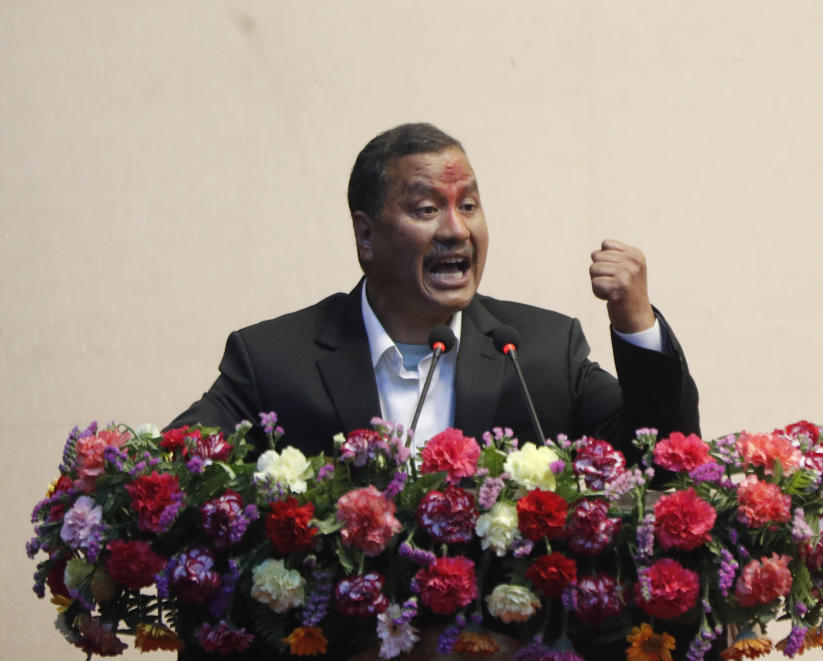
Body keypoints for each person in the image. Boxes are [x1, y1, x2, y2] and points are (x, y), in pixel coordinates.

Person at [171, 123, 702, 660]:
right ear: (366, 235)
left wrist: (635, 321)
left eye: (468, 206)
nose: (456, 230)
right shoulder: (274, 361)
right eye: (427, 210)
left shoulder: (540, 352)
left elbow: (662, 464)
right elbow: (174, 475)